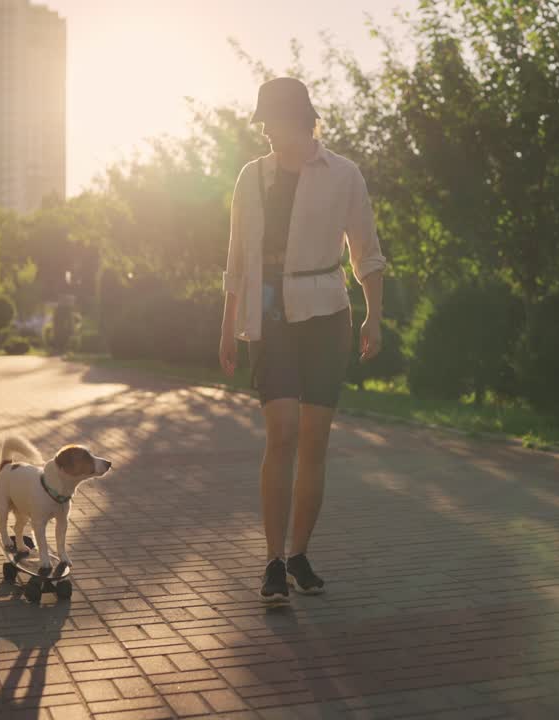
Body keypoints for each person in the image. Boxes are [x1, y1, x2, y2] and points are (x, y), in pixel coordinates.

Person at [219, 77, 386, 604]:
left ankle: (299, 555)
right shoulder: (251, 177)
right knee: (283, 433)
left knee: (314, 440)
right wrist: (228, 326)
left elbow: (367, 250)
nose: (266, 131)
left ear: (302, 119)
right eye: (262, 122)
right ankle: (271, 560)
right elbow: (236, 260)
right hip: (270, 315)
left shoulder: (343, 175)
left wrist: (373, 317)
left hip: (326, 315)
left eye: (273, 121)